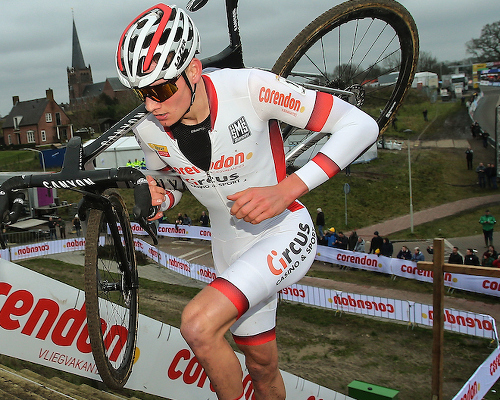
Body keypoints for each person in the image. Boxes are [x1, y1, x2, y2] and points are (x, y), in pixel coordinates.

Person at [121, 4, 379, 398]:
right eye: (142, 92)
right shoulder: (148, 128)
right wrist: (162, 198)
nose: (151, 103)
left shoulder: (252, 88)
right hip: (229, 246)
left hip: (283, 230)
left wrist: (288, 188)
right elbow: (173, 181)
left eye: (161, 88)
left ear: (193, 70)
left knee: (198, 326)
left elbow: (361, 125)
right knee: (261, 367)